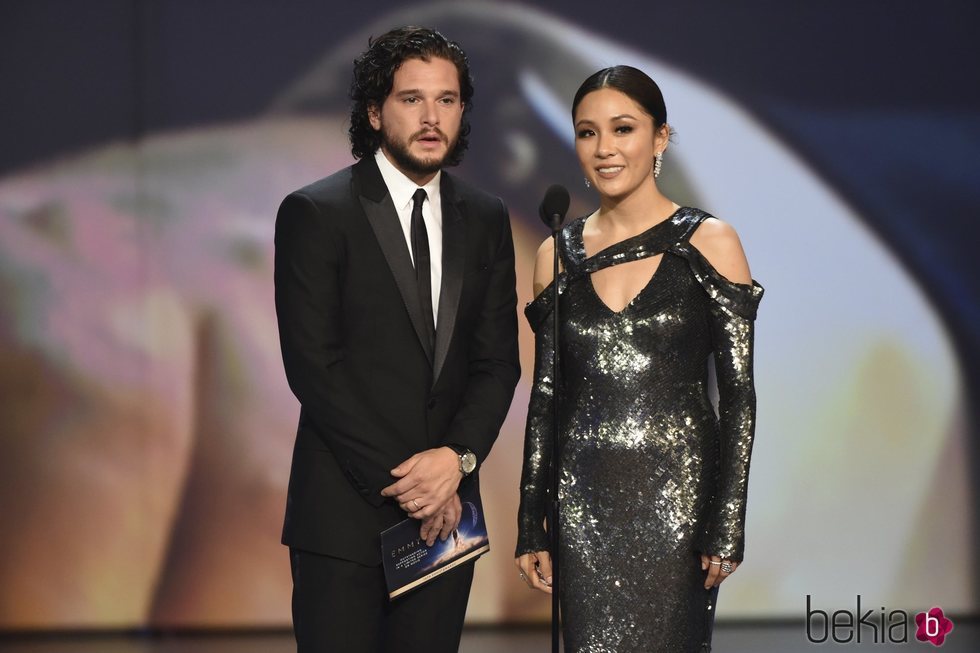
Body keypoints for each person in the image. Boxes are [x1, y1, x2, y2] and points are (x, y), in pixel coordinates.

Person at [275, 26, 520, 653]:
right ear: (374, 111)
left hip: (445, 524)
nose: (432, 117)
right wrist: (416, 483)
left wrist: (456, 461)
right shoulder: (316, 212)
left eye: (448, 99)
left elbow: (498, 364)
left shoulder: (486, 217)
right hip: (344, 518)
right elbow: (313, 367)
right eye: (412, 99)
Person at [515, 65, 763, 652]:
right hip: (582, 503)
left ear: (660, 138)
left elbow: (739, 397)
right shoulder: (556, 252)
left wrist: (727, 518)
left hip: (680, 505)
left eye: (623, 129)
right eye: (586, 132)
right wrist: (531, 520)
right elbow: (545, 396)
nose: (604, 149)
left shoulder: (710, 242)